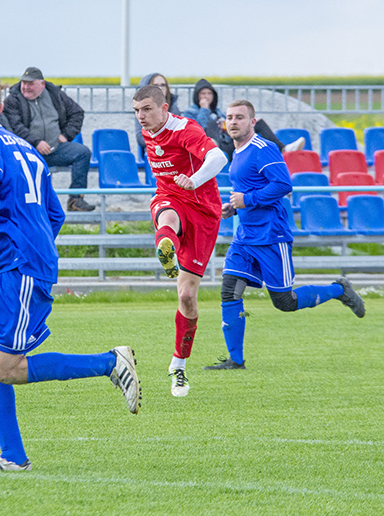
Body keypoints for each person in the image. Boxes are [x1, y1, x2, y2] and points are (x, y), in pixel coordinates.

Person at [0, 76, 141, 471]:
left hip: (22, 267)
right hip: (15, 263)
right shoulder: (28, 150)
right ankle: (13, 457)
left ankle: (110, 363)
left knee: (6, 367)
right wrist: (10, 252)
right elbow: (55, 213)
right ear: (2, 108)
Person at [205, 100, 365, 370]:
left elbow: (283, 185)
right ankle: (236, 360)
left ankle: (340, 290)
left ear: (252, 122)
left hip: (271, 236)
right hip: (245, 237)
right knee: (230, 291)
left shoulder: (263, 148)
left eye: (240, 117)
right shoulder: (237, 152)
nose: (233, 122)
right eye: (230, 117)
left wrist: (249, 199)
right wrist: (234, 207)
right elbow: (249, 191)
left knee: (285, 302)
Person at [133, 85, 228, 397]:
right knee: (167, 217)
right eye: (136, 111)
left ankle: (179, 366)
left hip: (203, 210)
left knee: (187, 296)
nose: (140, 116)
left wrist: (195, 179)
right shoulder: (147, 131)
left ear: (165, 107)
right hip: (169, 197)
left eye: (146, 109)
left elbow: (218, 157)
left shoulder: (185, 128)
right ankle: (167, 246)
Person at [3, 67, 95, 212]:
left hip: (55, 148)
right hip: (28, 152)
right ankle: (30, 208)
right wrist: (36, 142)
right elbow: (15, 127)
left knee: (83, 153)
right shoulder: (13, 100)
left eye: (30, 83)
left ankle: (76, 200)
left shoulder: (55, 94)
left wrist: (66, 135)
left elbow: (77, 113)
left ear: (42, 84)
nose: (25, 87)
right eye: (23, 83)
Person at [183, 79, 304, 161]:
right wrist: (204, 109)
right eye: (203, 93)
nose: (206, 96)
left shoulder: (218, 111)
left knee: (256, 121)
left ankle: (284, 149)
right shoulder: (191, 112)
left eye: (209, 93)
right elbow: (199, 129)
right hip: (214, 147)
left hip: (230, 142)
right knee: (211, 124)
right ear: (196, 95)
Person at [135, 73, 181, 156]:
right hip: (154, 149)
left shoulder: (174, 108)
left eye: (163, 85)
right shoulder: (141, 111)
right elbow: (140, 138)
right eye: (155, 85)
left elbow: (180, 133)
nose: (160, 88)